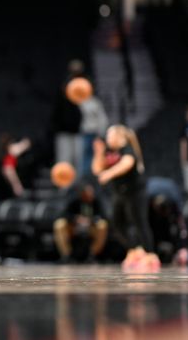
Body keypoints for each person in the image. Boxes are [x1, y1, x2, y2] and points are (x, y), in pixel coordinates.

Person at [92, 124, 159, 272]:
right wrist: (98, 152)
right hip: (120, 192)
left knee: (139, 222)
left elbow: (126, 164)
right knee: (116, 222)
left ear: (119, 137)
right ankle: (134, 250)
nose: (108, 137)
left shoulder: (127, 149)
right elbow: (97, 169)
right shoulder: (108, 150)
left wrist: (109, 174)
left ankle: (150, 254)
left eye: (110, 134)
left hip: (136, 191)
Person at [53, 182, 108, 263]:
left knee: (103, 225)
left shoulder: (96, 202)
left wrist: (90, 220)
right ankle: (67, 255)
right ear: (81, 193)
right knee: (59, 224)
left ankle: (92, 254)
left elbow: (103, 216)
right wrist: (76, 219)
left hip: (90, 228)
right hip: (74, 228)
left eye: (91, 193)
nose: (89, 195)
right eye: (87, 193)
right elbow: (63, 214)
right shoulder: (74, 201)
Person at [51, 59, 86, 171]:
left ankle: (77, 187)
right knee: (65, 161)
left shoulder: (84, 87)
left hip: (78, 130)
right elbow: (59, 109)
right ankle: (65, 188)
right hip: (64, 131)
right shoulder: (64, 86)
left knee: (78, 161)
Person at [0, 133, 31, 200]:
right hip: (4, 191)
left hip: (0, 189)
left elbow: (25, 144)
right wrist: (16, 186)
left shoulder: (6, 154)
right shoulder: (8, 157)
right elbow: (8, 171)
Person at [79, 95, 108, 179]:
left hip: (93, 133)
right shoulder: (80, 101)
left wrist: (101, 133)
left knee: (95, 155)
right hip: (83, 133)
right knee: (84, 156)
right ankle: (85, 177)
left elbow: (102, 119)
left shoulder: (95, 102)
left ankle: (91, 176)